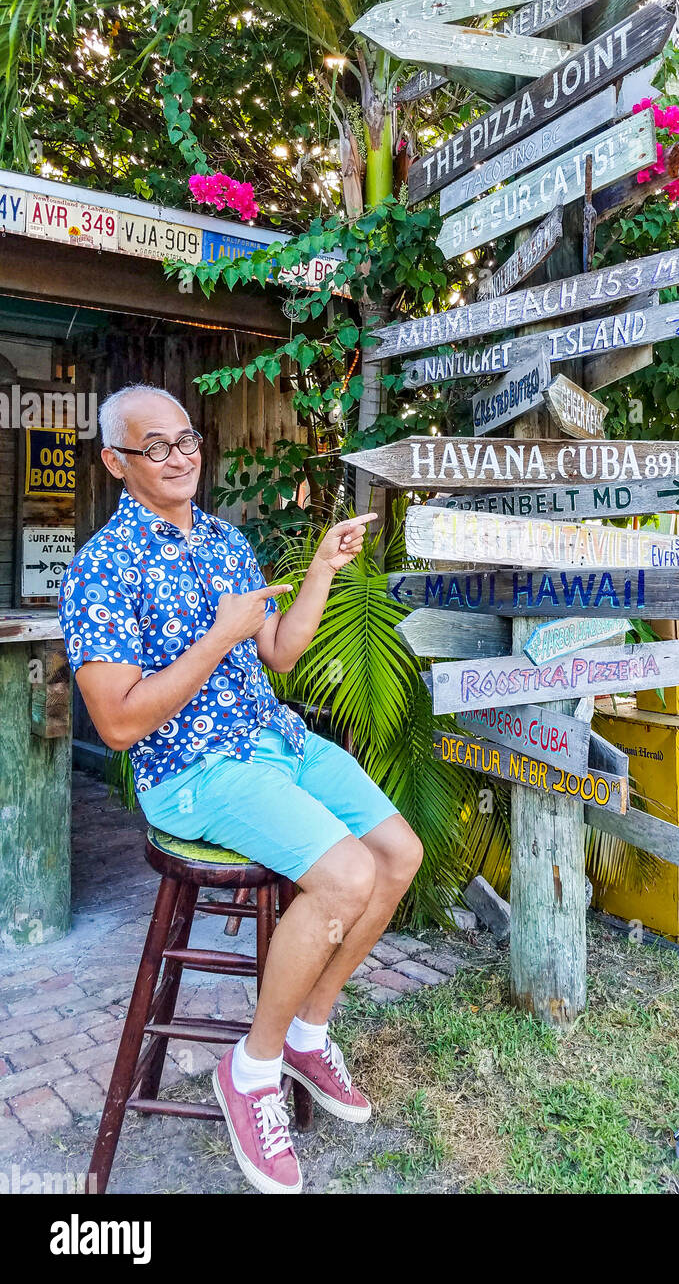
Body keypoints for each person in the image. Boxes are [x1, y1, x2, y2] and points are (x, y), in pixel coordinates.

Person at [58, 385, 423, 1195]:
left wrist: (322, 569)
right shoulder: (102, 570)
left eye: (185, 438)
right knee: (345, 876)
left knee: (397, 854)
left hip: (276, 743)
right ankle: (250, 1073)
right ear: (117, 463)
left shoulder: (226, 541)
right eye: (154, 446)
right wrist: (216, 637)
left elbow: (282, 654)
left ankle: (304, 1029)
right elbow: (117, 725)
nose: (180, 455)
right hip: (193, 772)